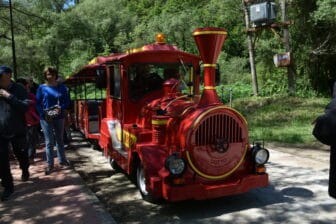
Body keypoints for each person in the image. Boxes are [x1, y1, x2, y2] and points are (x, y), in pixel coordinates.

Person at [0, 65, 29, 201]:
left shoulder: (19, 89)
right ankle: (8, 186)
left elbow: (25, 107)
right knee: (2, 159)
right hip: (1, 130)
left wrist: (9, 96)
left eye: (1, 75)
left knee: (21, 154)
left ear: (9, 75)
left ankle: (25, 168)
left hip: (17, 129)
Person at [35, 66, 71, 175]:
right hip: (46, 118)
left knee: (59, 139)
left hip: (59, 117)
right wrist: (43, 114)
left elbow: (67, 101)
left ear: (55, 75)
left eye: (51, 74)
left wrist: (62, 108)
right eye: (47, 74)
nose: (49, 76)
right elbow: (37, 103)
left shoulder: (62, 87)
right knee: (49, 141)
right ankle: (50, 165)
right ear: (45, 76)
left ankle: (62, 160)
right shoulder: (41, 88)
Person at [16, 78, 40, 163]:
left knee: (31, 140)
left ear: (26, 86)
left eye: (21, 85)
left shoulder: (30, 95)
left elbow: (37, 102)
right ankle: (24, 156)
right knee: (22, 140)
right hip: (19, 121)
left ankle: (30, 157)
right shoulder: (15, 95)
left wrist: (30, 102)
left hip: (31, 121)